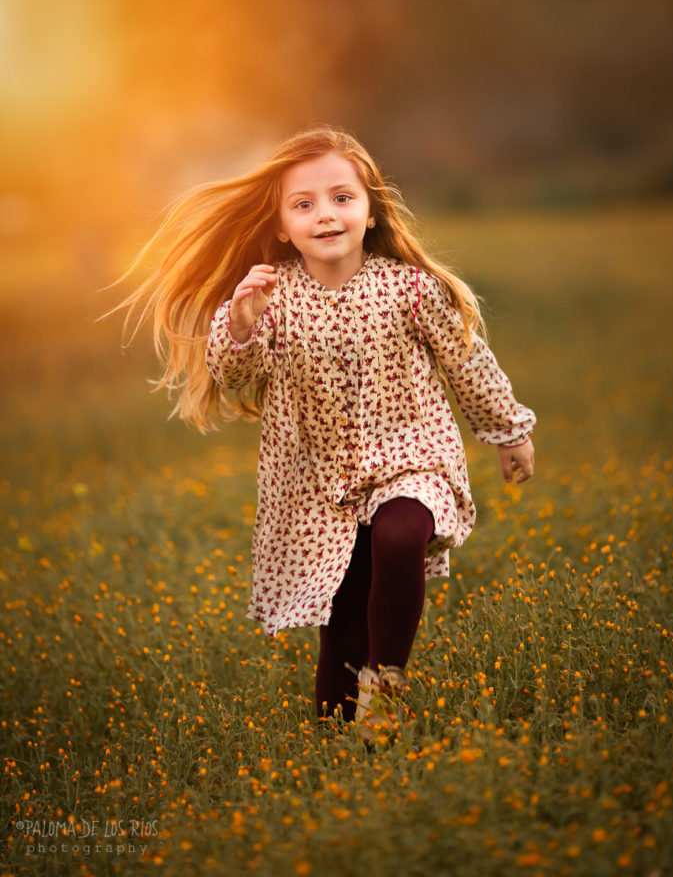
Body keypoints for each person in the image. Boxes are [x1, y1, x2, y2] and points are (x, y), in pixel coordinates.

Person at [119, 125, 535, 731]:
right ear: (283, 226)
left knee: (399, 535)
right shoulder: (273, 297)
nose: (326, 215)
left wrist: (509, 432)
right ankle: (338, 741)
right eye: (304, 204)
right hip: (318, 488)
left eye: (342, 198)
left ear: (370, 211)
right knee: (342, 627)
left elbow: (468, 361)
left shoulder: (411, 290)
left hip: (410, 460)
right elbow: (235, 371)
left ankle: (387, 687)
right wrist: (239, 321)